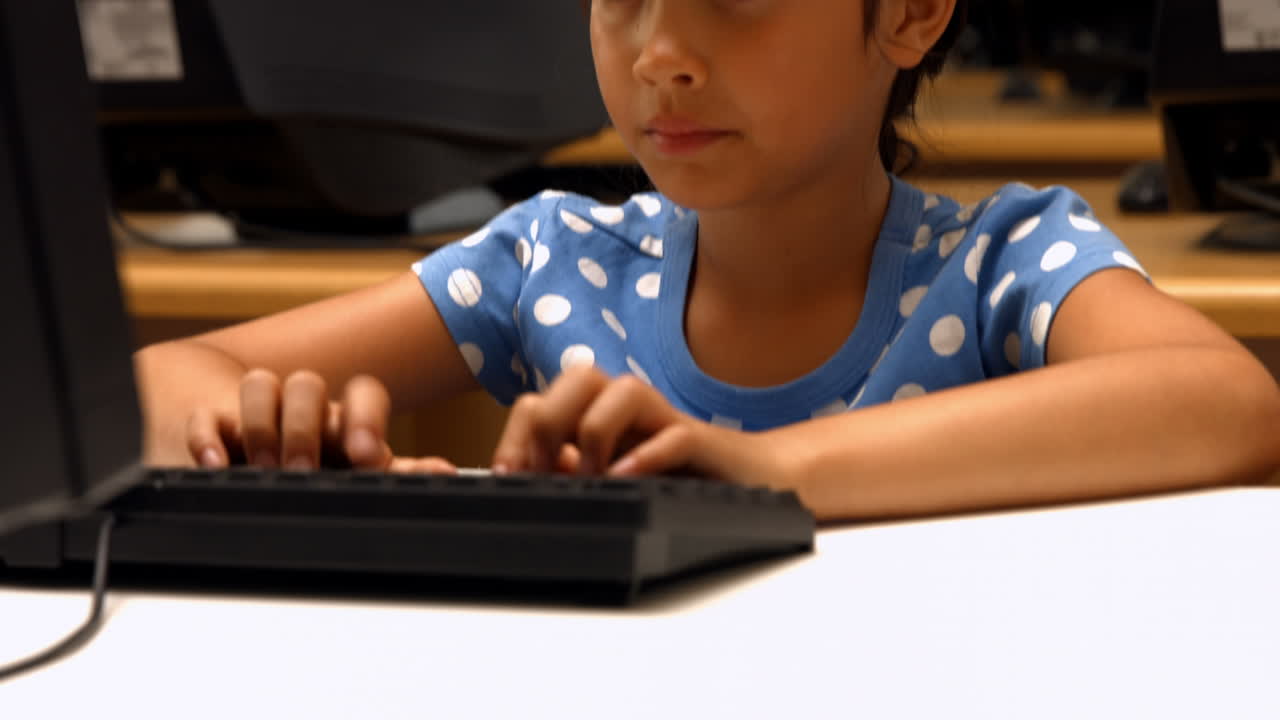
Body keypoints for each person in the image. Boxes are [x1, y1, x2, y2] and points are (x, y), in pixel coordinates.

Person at [134, 0, 1280, 521]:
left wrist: (755, 470)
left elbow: (1226, 405)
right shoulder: (551, 257)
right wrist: (274, 453)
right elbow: (154, 380)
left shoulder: (997, 263)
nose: (663, 53)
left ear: (913, 14)